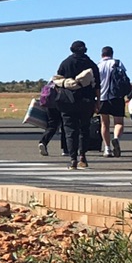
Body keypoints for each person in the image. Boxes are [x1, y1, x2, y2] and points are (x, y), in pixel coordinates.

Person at [50, 40, 100, 170]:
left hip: (67, 101)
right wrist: (97, 102)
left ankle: (73, 159)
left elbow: (57, 82)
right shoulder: (91, 64)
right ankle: (82, 156)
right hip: (86, 101)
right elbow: (97, 86)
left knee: (70, 130)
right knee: (84, 129)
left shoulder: (65, 63)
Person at [97, 46, 132, 158]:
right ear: (112, 54)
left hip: (102, 97)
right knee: (119, 122)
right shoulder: (117, 63)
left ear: (102, 54)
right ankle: (116, 137)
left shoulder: (98, 66)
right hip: (116, 96)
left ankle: (107, 149)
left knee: (104, 123)